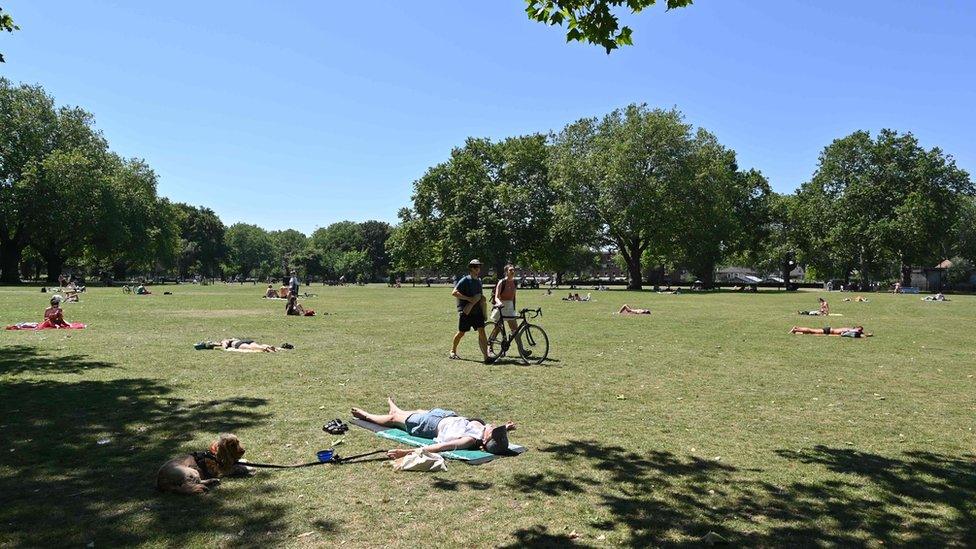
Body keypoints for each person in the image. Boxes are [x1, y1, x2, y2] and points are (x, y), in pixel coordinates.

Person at [351, 397, 517, 458]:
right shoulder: (481, 430)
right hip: (445, 415)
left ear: (485, 440)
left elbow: (438, 447)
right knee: (415, 412)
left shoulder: (469, 440)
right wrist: (506, 429)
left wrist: (404, 453)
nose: (494, 426)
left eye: (494, 431)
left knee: (394, 420)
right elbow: (495, 438)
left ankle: (366, 416)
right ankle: (396, 409)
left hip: (430, 426)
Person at [450, 259, 493, 363]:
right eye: (476, 267)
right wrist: (469, 299)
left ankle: (486, 357)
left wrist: (483, 302)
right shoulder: (465, 280)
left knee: (482, 332)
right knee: (461, 333)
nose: (478, 268)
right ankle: (453, 351)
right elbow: (454, 292)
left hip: (477, 311)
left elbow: (479, 296)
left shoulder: (479, 281)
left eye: (479, 266)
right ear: (471, 268)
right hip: (466, 312)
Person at [488, 265, 519, 354]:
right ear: (506, 272)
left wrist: (513, 308)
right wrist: (499, 303)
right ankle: (490, 348)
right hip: (501, 306)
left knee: (515, 330)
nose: (513, 271)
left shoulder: (515, 282)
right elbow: (497, 297)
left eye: (513, 270)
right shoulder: (502, 282)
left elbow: (514, 297)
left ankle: (522, 350)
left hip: (509, 306)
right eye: (510, 270)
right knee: (497, 328)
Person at [790, 325, 872, 338]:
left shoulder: (850, 329)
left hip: (829, 330)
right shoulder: (851, 330)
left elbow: (862, 334)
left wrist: (867, 334)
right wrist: (866, 335)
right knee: (811, 331)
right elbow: (861, 335)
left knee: (811, 332)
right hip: (828, 331)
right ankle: (796, 328)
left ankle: (796, 331)